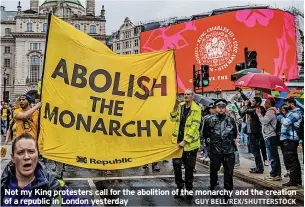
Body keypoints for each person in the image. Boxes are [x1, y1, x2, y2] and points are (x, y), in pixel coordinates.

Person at [1, 133, 91, 206]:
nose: (26, 157)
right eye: (20, 152)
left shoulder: (55, 188)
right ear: (13, 158)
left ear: (38, 155)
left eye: (31, 151)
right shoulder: (3, 188)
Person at [170, 89, 201, 200]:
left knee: (189, 168)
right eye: (185, 94)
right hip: (177, 144)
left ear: (193, 96)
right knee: (177, 167)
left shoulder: (196, 109)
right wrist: (174, 106)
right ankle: (179, 187)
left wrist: (185, 141)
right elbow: (172, 118)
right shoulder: (180, 106)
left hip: (190, 145)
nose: (186, 96)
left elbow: (194, 127)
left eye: (188, 94)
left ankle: (188, 189)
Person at [203, 99, 237, 198]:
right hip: (215, 150)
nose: (221, 109)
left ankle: (228, 191)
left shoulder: (230, 120)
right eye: (219, 107)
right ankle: (213, 185)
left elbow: (234, 134)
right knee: (214, 170)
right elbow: (206, 134)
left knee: (229, 172)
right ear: (216, 108)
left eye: (223, 107)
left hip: (229, 150)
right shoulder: (209, 119)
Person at [276, 98, 302, 188]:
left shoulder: (296, 113)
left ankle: (294, 181)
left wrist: (278, 114)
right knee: (293, 160)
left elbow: (286, 122)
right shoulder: (292, 113)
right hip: (288, 139)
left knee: (291, 160)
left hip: (291, 139)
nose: (286, 106)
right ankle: (296, 180)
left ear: (292, 104)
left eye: (287, 104)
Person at [256, 98, 282, 181]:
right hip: (270, 136)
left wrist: (259, 114)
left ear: (270, 104)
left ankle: (274, 174)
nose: (265, 104)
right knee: (274, 156)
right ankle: (276, 173)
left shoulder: (270, 112)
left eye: (266, 102)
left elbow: (264, 121)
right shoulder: (271, 111)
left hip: (270, 136)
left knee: (272, 156)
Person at [239, 93, 265, 174]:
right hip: (251, 132)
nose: (251, 102)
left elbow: (244, 111)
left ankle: (259, 167)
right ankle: (258, 166)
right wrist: (241, 92)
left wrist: (246, 105)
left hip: (255, 132)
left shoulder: (257, 109)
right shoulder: (253, 107)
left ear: (257, 103)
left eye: (253, 101)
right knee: (255, 151)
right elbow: (246, 101)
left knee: (256, 151)